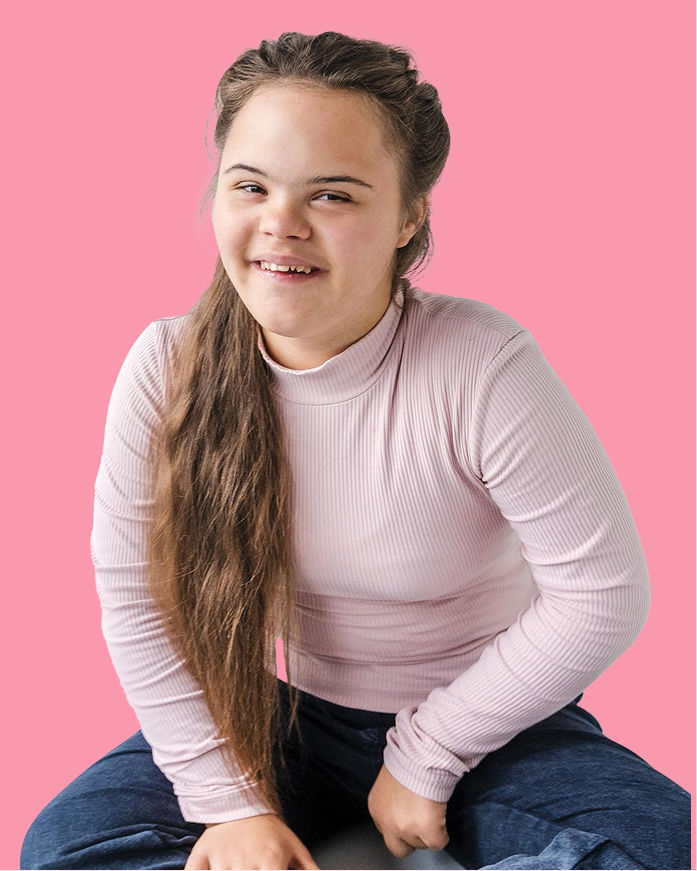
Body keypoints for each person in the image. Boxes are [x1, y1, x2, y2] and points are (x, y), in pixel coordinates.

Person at [21, 30, 690, 871]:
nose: (281, 224)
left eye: (332, 195)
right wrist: (227, 806)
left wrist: (426, 754)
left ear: (410, 214)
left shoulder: (480, 364)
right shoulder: (167, 364)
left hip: (487, 721)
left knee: (649, 836)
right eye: (250, 185)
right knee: (67, 846)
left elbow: (601, 592)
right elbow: (136, 596)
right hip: (275, 718)